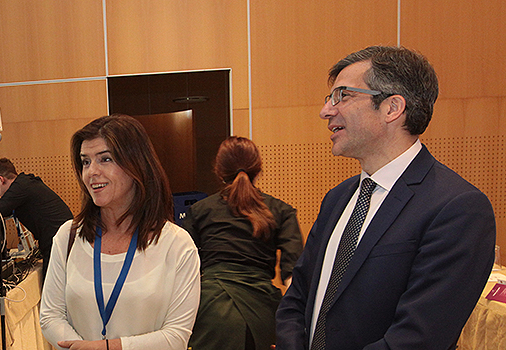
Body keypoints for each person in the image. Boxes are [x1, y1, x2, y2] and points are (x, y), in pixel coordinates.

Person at [276, 46, 496, 350]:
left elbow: (420, 336)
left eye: (343, 96)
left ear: (392, 108)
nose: (326, 110)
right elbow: (296, 298)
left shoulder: (457, 208)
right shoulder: (337, 199)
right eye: (329, 99)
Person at [39, 114, 201, 350]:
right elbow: (50, 315)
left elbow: (176, 337)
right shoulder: (69, 236)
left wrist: (106, 348)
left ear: (137, 165)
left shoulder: (176, 244)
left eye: (105, 159)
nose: (91, 172)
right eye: (85, 161)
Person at [184, 136, 303, 350]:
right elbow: (293, 273)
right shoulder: (281, 210)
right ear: (258, 170)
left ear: (219, 171)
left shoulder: (200, 210)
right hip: (263, 311)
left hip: (211, 310)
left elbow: (182, 268)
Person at [0, 158, 73, 277]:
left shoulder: (20, 188)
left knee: (52, 291)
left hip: (57, 244)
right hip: (61, 240)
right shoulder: (24, 184)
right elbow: (1, 213)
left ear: (1, 180)